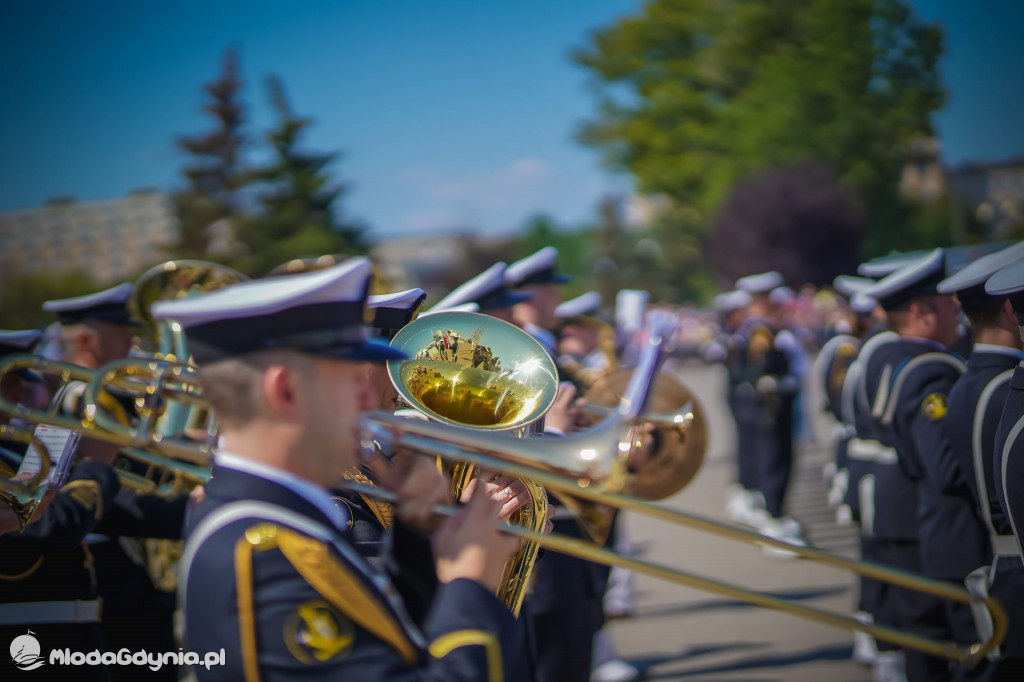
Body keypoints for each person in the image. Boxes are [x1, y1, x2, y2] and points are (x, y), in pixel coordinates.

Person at [152, 257, 525, 681]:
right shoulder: (264, 554)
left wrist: (416, 537)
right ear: (287, 390)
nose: (370, 401)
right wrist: (472, 587)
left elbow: (389, 650)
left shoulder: (285, 523)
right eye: (352, 382)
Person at [44, 284, 189, 681]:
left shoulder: (111, 397)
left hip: (130, 567)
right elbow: (114, 484)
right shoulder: (80, 399)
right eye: (122, 333)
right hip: (112, 570)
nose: (134, 341)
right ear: (88, 340)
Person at [860, 249, 970, 682]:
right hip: (916, 513)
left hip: (896, 503)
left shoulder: (888, 354)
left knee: (922, 638)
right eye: (947, 305)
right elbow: (940, 465)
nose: (957, 312)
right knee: (934, 639)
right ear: (922, 312)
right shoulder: (929, 370)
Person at [0, 328, 123, 681]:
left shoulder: (19, 451)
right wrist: (97, 467)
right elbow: (46, 527)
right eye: (7, 384)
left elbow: (111, 514)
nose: (20, 391)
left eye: (19, 382)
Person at [939, 242, 1024, 679]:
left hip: (998, 561)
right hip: (1013, 567)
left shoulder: (967, 381)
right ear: (1011, 310)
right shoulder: (1006, 385)